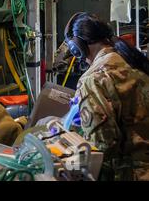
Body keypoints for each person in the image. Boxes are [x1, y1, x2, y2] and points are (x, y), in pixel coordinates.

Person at [63, 12, 149, 180]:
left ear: (78, 47)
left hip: (131, 174)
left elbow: (103, 146)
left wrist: (80, 134)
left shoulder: (92, 79)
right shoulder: (131, 60)